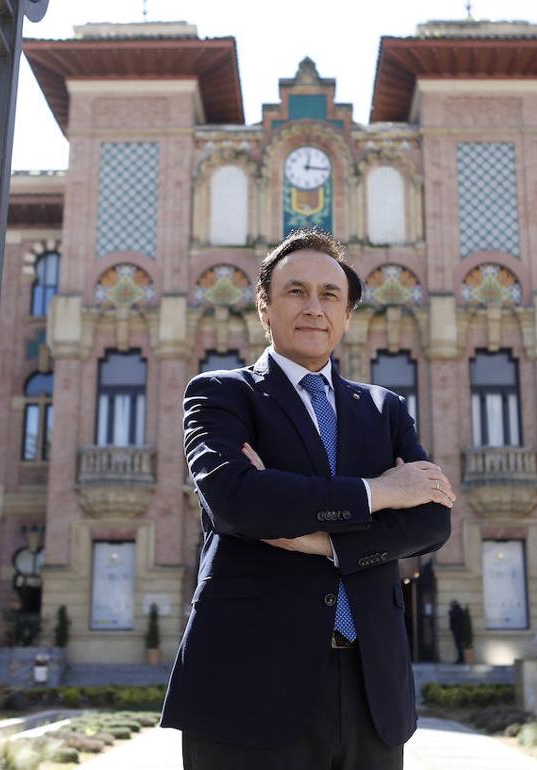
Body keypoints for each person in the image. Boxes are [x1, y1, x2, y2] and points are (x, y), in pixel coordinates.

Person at [160, 229, 455, 770]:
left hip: (372, 693)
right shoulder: (221, 394)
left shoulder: (384, 409)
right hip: (248, 688)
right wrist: (381, 492)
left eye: (330, 295)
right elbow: (238, 501)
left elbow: (432, 520)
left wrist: (323, 543)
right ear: (265, 309)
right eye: (296, 292)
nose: (314, 307)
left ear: (346, 316)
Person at [449, 599, 466, 664]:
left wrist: (451, 613)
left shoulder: (457, 611)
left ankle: (461, 659)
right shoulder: (459, 610)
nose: (451, 606)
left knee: (459, 645)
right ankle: (461, 659)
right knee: (459, 645)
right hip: (458, 631)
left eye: (451, 605)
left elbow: (454, 618)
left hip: (458, 631)